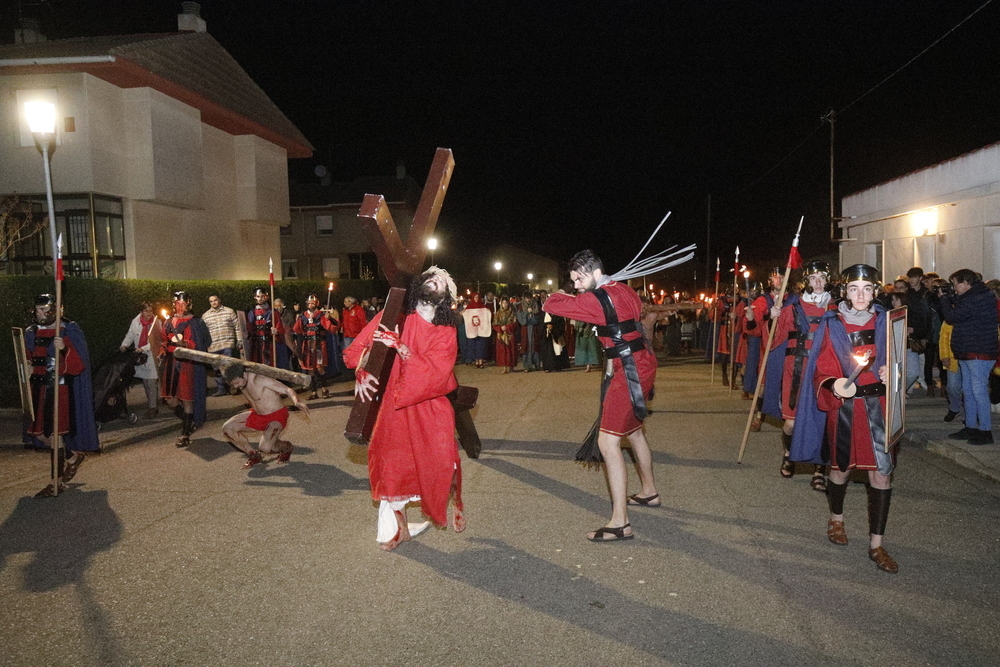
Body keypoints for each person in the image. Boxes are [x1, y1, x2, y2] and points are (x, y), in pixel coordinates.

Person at [344, 267, 466, 551]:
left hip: (428, 409)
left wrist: (402, 348)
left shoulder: (445, 330)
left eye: (443, 282)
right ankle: (398, 530)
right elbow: (356, 350)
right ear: (419, 286)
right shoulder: (392, 317)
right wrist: (363, 371)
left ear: (446, 298)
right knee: (392, 467)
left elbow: (437, 374)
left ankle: (440, 503)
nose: (436, 281)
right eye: (430, 278)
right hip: (392, 408)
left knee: (437, 465)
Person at [543, 250, 659, 542]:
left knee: (608, 442)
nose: (576, 286)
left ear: (593, 272)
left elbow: (551, 304)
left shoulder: (597, 299)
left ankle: (620, 522)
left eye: (577, 279)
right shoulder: (624, 289)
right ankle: (649, 491)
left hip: (628, 371)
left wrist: (562, 291)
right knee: (633, 432)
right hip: (640, 364)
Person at [790, 264, 898, 573]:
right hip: (846, 408)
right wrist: (833, 381)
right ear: (845, 292)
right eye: (853, 289)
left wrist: (894, 371)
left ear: (875, 291)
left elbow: (901, 360)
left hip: (879, 406)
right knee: (840, 470)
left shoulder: (888, 321)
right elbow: (822, 364)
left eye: (866, 289)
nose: (860, 295)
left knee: (882, 473)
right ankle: (836, 518)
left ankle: (876, 545)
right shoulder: (832, 322)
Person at [763, 260, 835, 491]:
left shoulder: (834, 309)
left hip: (821, 371)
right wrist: (772, 318)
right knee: (791, 423)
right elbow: (773, 341)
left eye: (822, 278)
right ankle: (788, 453)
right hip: (794, 370)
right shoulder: (792, 308)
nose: (818, 283)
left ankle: (818, 470)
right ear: (806, 281)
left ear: (827, 280)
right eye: (813, 278)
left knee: (821, 423)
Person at [24, 294, 99, 496]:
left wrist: (64, 349)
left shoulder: (68, 330)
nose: (40, 314)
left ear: (55, 310)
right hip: (38, 388)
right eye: (37, 310)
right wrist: (28, 366)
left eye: (44, 310)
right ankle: (73, 456)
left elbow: (78, 365)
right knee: (39, 433)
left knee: (55, 435)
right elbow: (30, 358)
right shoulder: (32, 332)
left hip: (58, 388)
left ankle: (55, 484)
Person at [940, 269, 998, 445]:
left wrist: (944, 298)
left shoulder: (978, 297)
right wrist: (951, 297)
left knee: (978, 391)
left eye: (956, 283)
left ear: (966, 283)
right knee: (969, 391)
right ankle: (971, 426)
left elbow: (951, 316)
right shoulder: (975, 296)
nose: (954, 287)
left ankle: (985, 431)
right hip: (969, 350)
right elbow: (961, 310)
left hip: (979, 352)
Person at [221, 364, 309, 468]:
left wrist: (296, 401)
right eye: (233, 385)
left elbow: (287, 390)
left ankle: (286, 447)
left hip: (276, 417)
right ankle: (253, 455)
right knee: (227, 428)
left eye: (237, 383)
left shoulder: (260, 379)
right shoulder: (241, 380)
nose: (236, 386)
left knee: (265, 448)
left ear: (244, 374)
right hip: (258, 415)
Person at [159, 291, 209, 448]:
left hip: (186, 365)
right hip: (171, 364)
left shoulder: (195, 323)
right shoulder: (168, 322)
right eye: (177, 304)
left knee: (187, 400)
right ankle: (191, 421)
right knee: (170, 400)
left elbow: (201, 343)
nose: (180, 307)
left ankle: (185, 433)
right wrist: (162, 349)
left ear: (188, 305)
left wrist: (186, 344)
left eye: (183, 304)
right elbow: (164, 340)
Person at [294, 293, 340, 399]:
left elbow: (333, 328)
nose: (311, 305)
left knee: (320, 368)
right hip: (307, 345)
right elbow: (297, 329)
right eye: (309, 303)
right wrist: (297, 318)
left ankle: (324, 389)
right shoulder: (303, 316)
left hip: (319, 345)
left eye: (313, 303)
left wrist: (331, 319)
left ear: (316, 303)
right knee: (310, 369)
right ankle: (314, 392)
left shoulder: (321, 315)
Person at [119, 302, 162, 417]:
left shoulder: (157, 322)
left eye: (151, 311)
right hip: (140, 356)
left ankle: (153, 407)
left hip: (151, 354)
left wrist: (143, 348)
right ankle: (151, 405)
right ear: (141, 312)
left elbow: (157, 340)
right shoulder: (136, 321)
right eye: (146, 311)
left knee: (152, 382)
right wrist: (125, 345)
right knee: (145, 381)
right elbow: (131, 334)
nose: (149, 313)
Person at [202, 295, 242, 396]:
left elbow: (237, 327)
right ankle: (221, 389)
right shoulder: (206, 316)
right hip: (213, 346)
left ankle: (234, 386)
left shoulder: (229, 311)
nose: (214, 303)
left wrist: (239, 340)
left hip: (227, 343)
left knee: (229, 367)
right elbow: (204, 332)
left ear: (219, 300)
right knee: (216, 369)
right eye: (211, 301)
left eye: (215, 300)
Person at [245, 287, 279, 366]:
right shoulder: (251, 312)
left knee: (268, 364)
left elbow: (280, 327)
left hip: (268, 344)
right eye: (258, 296)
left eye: (263, 296)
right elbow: (247, 329)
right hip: (255, 344)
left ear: (266, 297)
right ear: (255, 297)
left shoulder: (273, 312)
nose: (260, 298)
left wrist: (276, 331)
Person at [462, 292, 492, 368]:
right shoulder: (469, 307)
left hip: (481, 330)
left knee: (481, 345)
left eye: (477, 297)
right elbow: (465, 314)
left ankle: (480, 361)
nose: (476, 299)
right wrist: (463, 313)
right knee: (474, 346)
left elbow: (487, 314)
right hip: (473, 330)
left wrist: (487, 312)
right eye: (475, 297)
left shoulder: (483, 307)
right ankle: (476, 361)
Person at [492, 296, 519, 374]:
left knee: (511, 350)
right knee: (503, 351)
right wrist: (500, 328)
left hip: (510, 334)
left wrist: (507, 327)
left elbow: (515, 323)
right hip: (501, 335)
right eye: (503, 302)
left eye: (506, 302)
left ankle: (511, 366)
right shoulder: (498, 313)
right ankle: (504, 367)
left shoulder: (512, 312)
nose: (505, 304)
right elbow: (494, 324)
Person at [516, 292, 542, 371]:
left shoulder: (536, 305)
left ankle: (537, 364)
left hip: (534, 329)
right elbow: (521, 320)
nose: (528, 300)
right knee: (526, 346)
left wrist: (532, 315)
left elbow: (538, 318)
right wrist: (527, 314)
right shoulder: (521, 307)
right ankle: (527, 366)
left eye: (529, 298)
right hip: (525, 329)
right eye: (526, 298)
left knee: (535, 345)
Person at [273, 298, 297, 370]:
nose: (277, 308)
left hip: (287, 340)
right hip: (278, 340)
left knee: (288, 358)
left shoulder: (288, 315)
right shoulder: (273, 315)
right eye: (275, 306)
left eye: (278, 306)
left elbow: (292, 327)